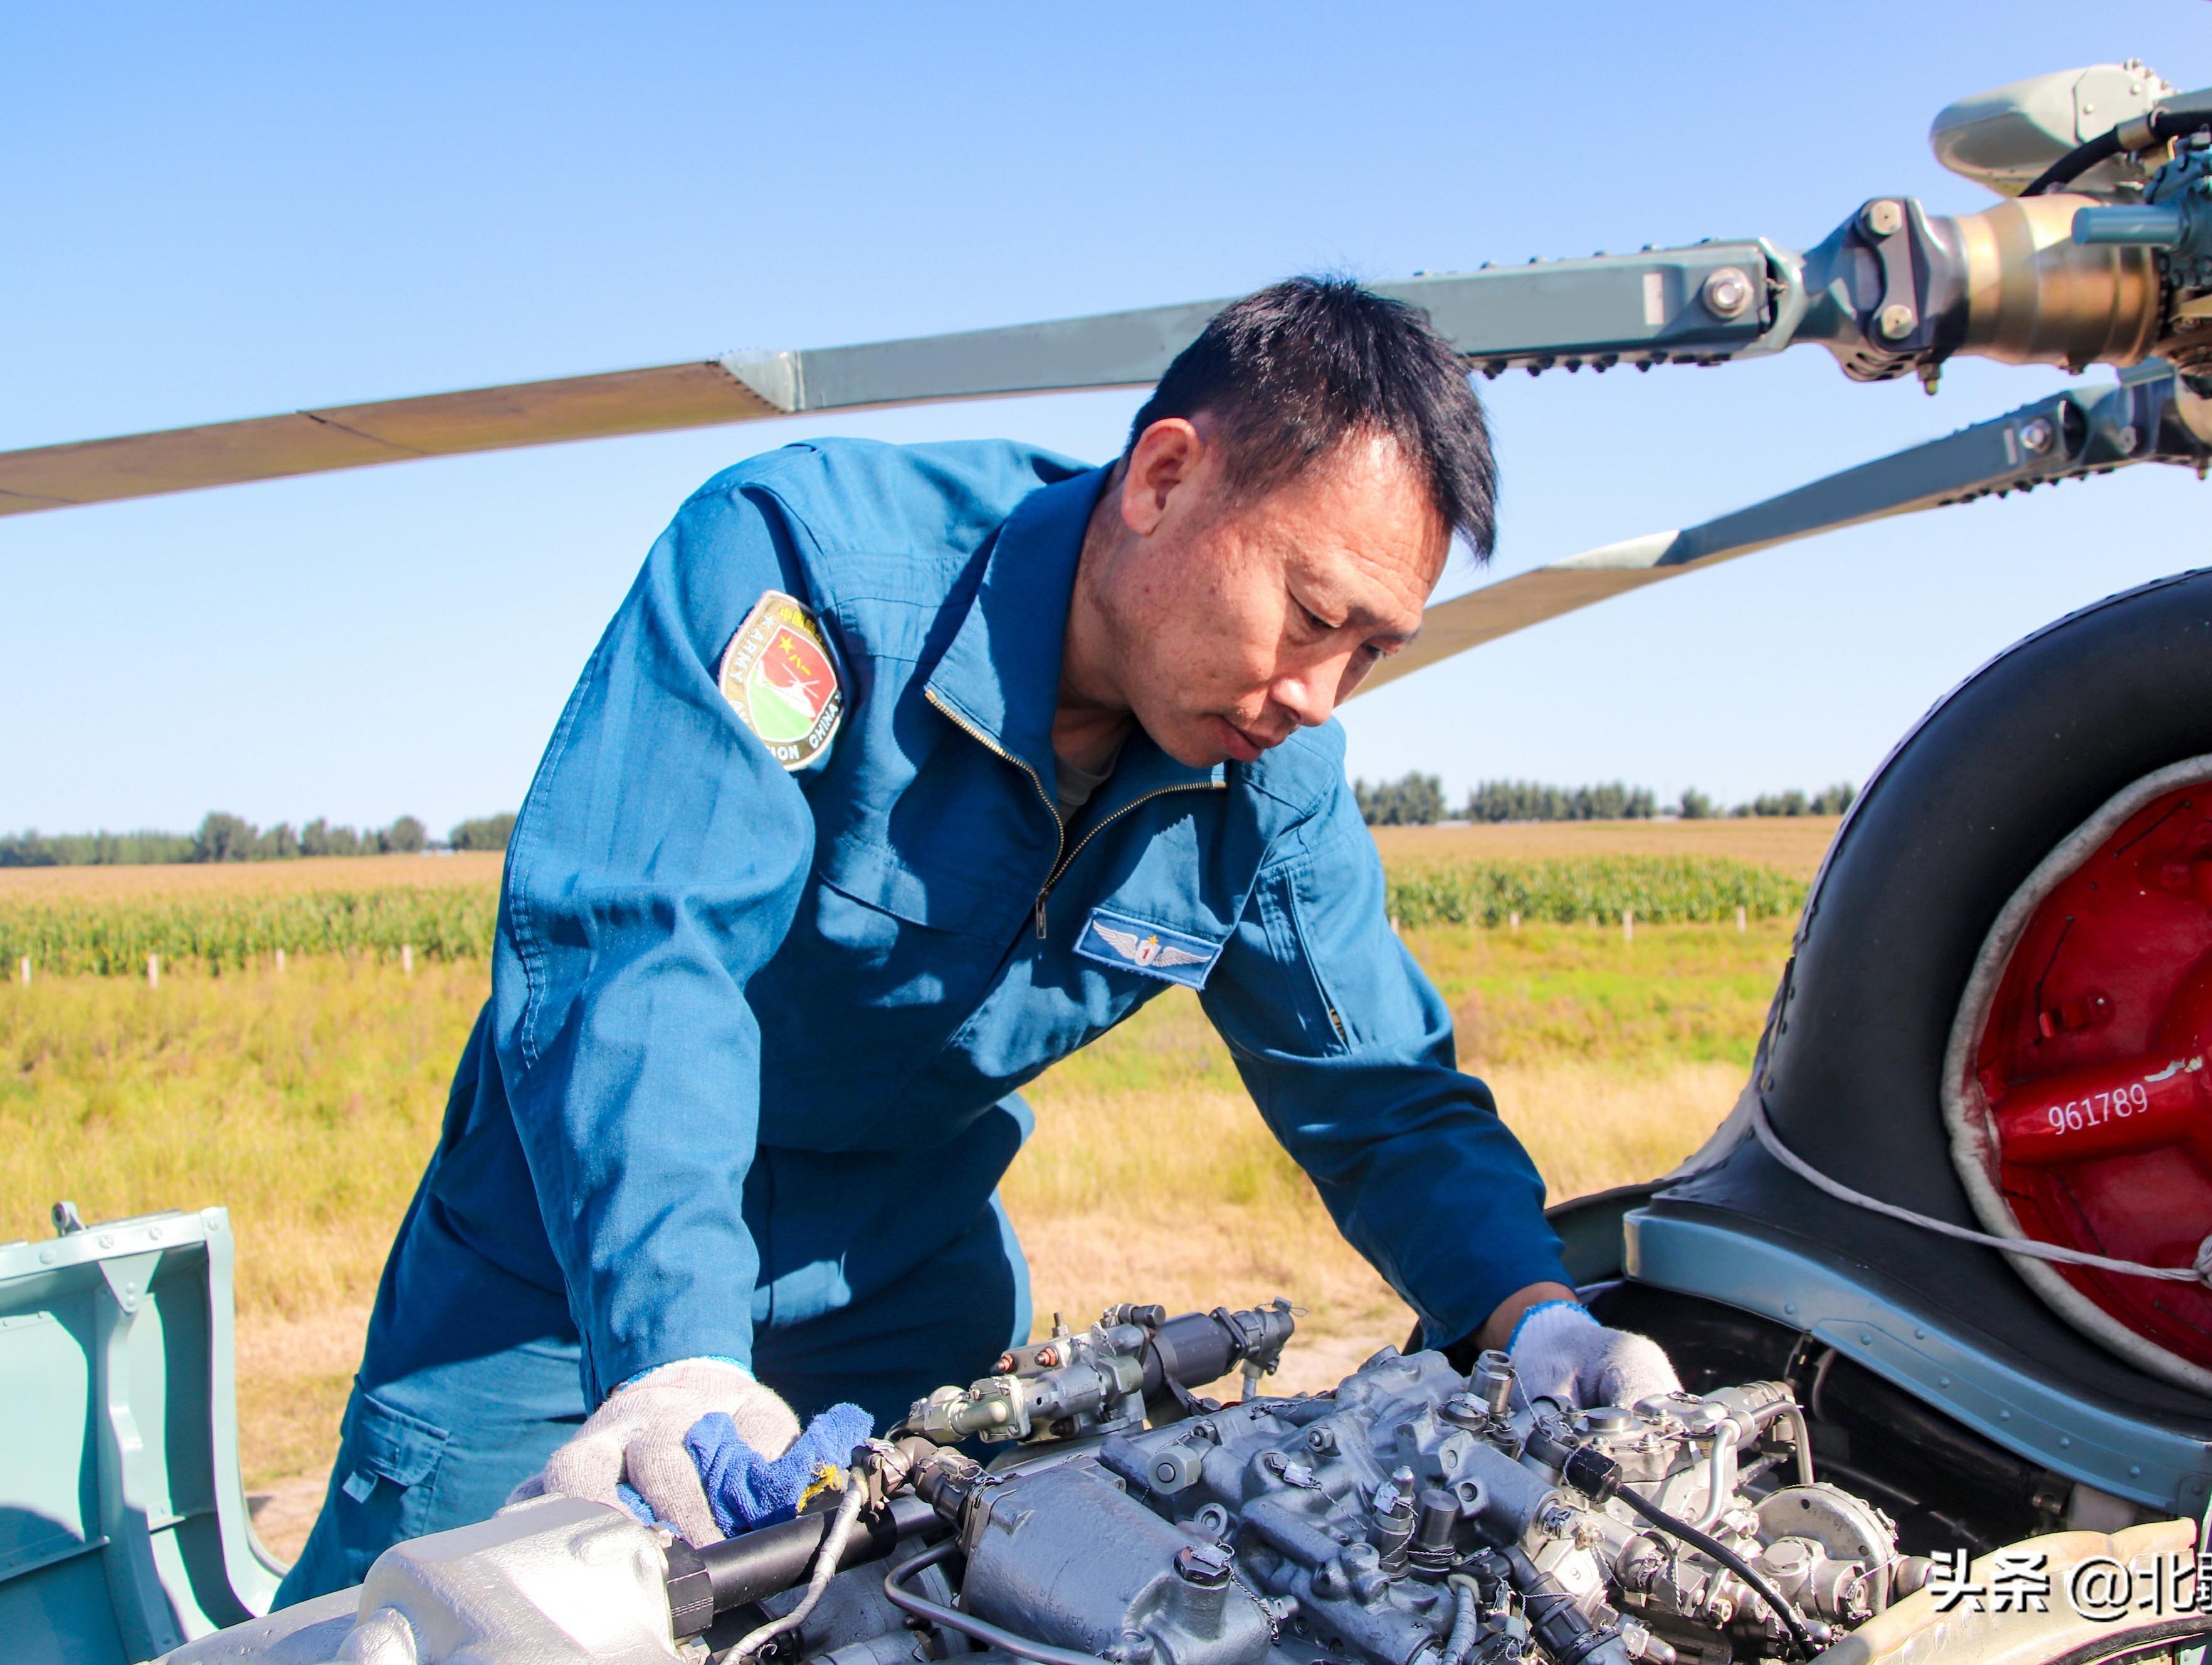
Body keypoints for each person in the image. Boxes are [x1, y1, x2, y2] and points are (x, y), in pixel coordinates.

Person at [276, 276, 1679, 1601]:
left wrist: (1535, 1311)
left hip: (901, 1283)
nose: (1319, 692)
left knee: (931, 1606)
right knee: (424, 1616)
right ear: (1163, 476)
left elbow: (1384, 1099)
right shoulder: (805, 566)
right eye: (1312, 615)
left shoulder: (1270, 776)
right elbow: (646, 956)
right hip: (572, 1271)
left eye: (1369, 648)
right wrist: (678, 1355)